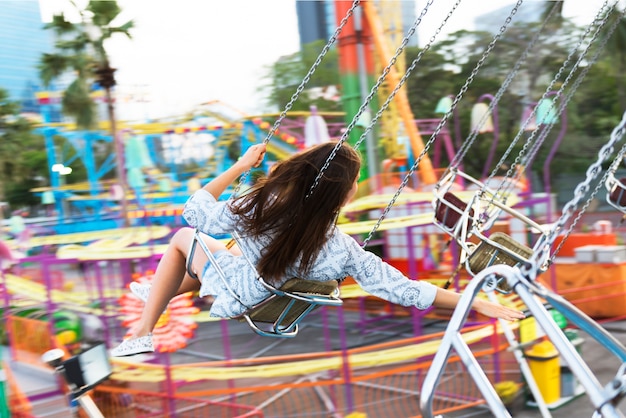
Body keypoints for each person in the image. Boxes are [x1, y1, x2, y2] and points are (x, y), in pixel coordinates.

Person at [111, 142, 525, 357]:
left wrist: (240, 166)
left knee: (185, 240)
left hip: (246, 288)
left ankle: (145, 330)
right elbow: (405, 290)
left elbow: (194, 212)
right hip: (266, 289)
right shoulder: (342, 247)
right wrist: (476, 303)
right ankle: (159, 294)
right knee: (227, 251)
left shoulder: (262, 210)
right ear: (342, 195)